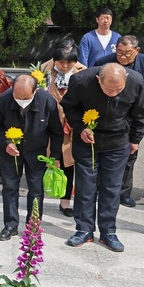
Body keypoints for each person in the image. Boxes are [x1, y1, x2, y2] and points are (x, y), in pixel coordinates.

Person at [61, 63, 144, 252]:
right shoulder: (81, 80)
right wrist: (80, 128)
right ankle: (84, 229)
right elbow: (69, 106)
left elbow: (140, 113)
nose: (114, 93)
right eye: (109, 89)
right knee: (85, 186)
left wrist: (135, 139)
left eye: (119, 89)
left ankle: (108, 231)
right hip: (87, 140)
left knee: (112, 187)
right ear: (98, 80)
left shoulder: (136, 81)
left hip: (117, 141)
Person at [0, 75, 63, 240]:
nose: (21, 100)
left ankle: (33, 226)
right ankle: (10, 225)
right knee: (9, 188)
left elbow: (56, 131)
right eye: (17, 97)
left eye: (26, 98)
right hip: (10, 152)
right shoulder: (3, 100)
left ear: (35, 91)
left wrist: (55, 156)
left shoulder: (47, 101)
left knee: (36, 190)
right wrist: (6, 143)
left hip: (37, 152)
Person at [95, 35, 144, 208]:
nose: (122, 57)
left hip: (134, 115)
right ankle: (101, 191)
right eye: (119, 52)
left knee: (129, 156)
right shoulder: (102, 62)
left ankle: (124, 193)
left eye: (127, 53)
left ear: (137, 51)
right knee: (104, 157)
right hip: (109, 115)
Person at [42, 39, 87, 217]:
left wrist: (74, 119)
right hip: (47, 123)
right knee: (45, 160)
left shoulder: (82, 72)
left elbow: (86, 100)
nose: (65, 66)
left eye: (69, 62)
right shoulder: (42, 69)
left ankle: (65, 201)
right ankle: (38, 196)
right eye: (61, 62)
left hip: (71, 124)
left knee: (67, 162)